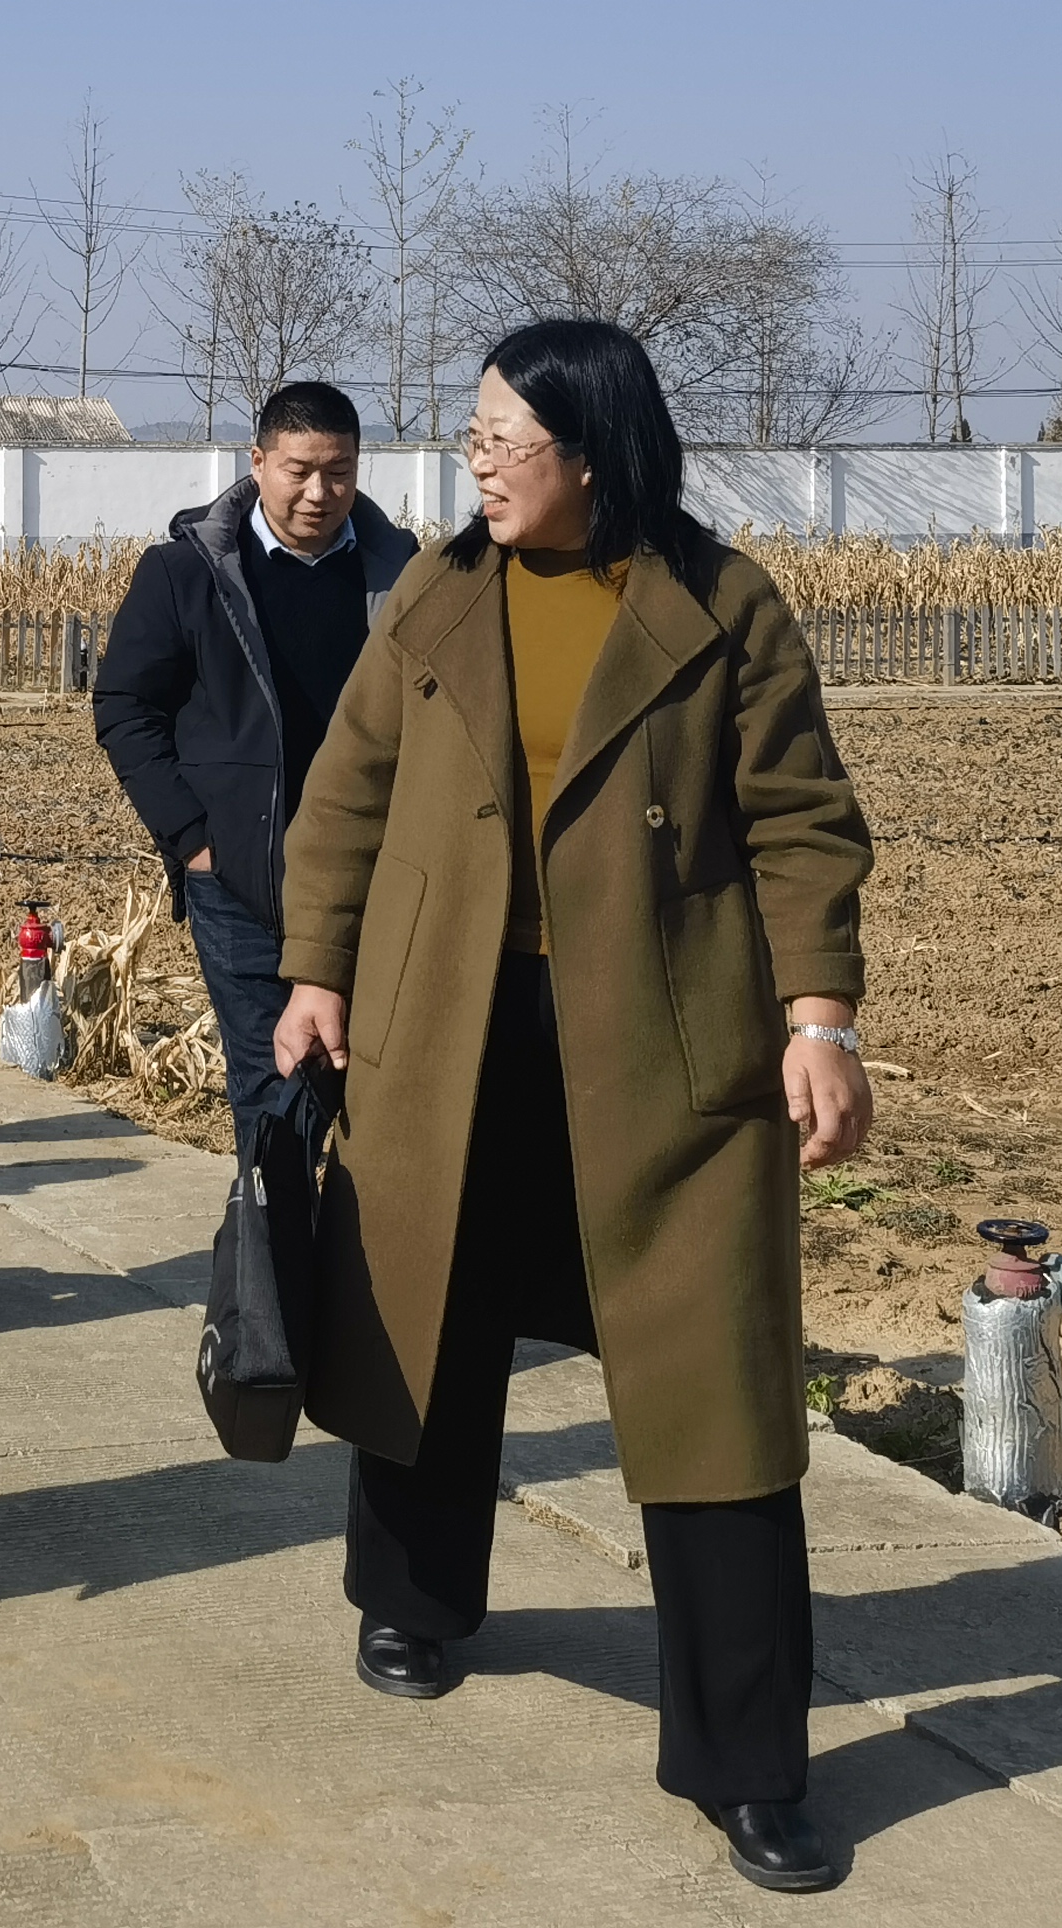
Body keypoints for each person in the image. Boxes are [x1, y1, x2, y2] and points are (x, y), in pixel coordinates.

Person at [271, 320, 873, 1896]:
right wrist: (317, 970)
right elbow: (347, 792)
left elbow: (802, 824)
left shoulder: (721, 605)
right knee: (428, 1317)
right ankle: (412, 1598)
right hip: (448, 1026)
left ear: (591, 454)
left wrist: (820, 1019)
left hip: (666, 1048)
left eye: (504, 440)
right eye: (471, 434)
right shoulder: (439, 590)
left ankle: (750, 1764)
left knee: (715, 1391)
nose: (474, 461)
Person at [92, 380, 416, 1145]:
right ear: (258, 462)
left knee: (374, 1082)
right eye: (299, 470)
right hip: (241, 882)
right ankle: (272, 1222)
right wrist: (195, 841)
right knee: (274, 1086)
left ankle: (338, 1224)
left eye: (339, 472)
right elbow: (124, 707)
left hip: (375, 878)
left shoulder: (402, 576)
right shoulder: (187, 573)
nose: (319, 493)